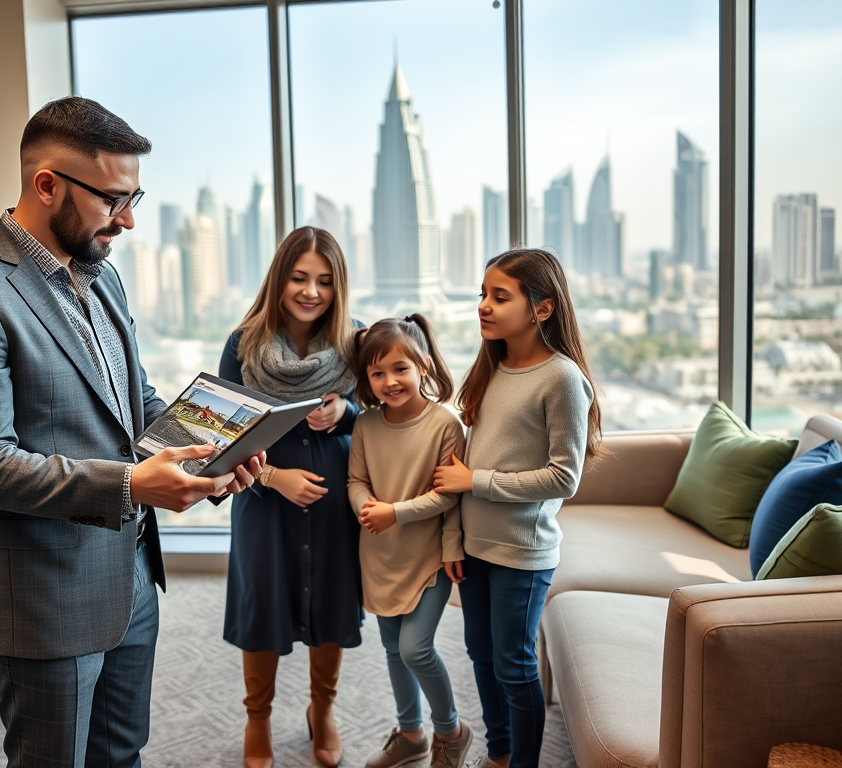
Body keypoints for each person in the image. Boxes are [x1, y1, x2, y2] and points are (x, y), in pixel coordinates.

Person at [0, 96, 261, 768]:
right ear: (47, 185)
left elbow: (131, 404)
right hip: (44, 600)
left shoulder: (99, 277)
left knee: (121, 756)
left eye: (135, 197)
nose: (129, 219)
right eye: (114, 199)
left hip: (130, 577)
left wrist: (214, 451)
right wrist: (133, 483)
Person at [433, 249, 602, 768]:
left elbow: (563, 477)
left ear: (542, 309)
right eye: (482, 295)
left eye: (499, 296)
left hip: (522, 552)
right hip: (475, 547)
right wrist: (454, 537)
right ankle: (500, 753)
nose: (483, 306)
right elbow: (468, 465)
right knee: (482, 657)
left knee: (513, 663)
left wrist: (475, 482)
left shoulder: (562, 378)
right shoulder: (494, 366)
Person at [218, 226, 363, 768]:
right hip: (262, 504)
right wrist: (275, 477)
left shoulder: (356, 341)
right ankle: (258, 720)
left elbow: (387, 414)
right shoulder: (243, 344)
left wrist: (345, 412)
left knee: (329, 604)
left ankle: (321, 711)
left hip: (334, 508)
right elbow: (221, 434)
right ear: (280, 279)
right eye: (300, 278)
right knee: (263, 608)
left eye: (325, 281)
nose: (311, 292)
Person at [347, 315, 474, 768]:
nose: (389, 381)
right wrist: (365, 505)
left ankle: (451, 731)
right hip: (379, 555)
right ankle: (411, 734)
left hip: (429, 558)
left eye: (399, 368)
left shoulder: (445, 424)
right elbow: (356, 480)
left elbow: (448, 495)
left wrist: (393, 512)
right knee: (390, 649)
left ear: (422, 365)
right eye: (376, 373)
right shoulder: (365, 424)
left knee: (414, 648)